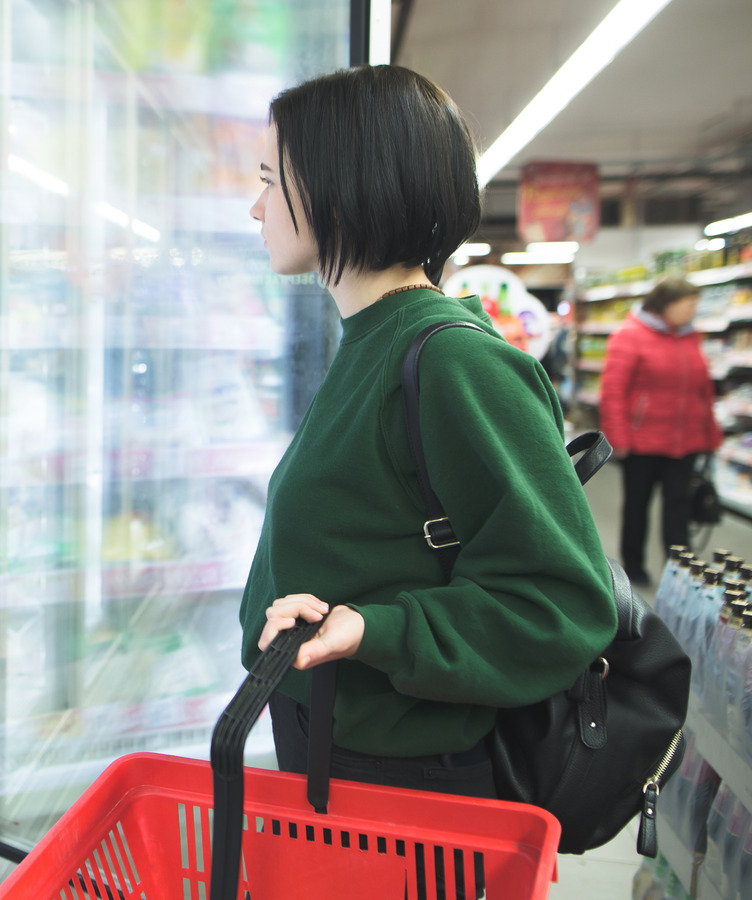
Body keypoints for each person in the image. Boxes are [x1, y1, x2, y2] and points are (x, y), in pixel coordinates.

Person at [242, 65, 617, 799]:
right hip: (336, 745)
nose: (255, 208)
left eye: (268, 180)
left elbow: (561, 604)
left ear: (339, 191)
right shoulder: (371, 340)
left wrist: (376, 631)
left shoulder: (452, 361)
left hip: (406, 777)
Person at [599, 277, 722, 586]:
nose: (694, 310)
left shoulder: (691, 337)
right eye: (689, 304)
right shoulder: (630, 336)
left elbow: (703, 392)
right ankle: (634, 567)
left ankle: (680, 569)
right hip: (642, 442)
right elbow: (613, 391)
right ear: (667, 304)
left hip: (685, 441)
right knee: (637, 506)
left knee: (679, 506)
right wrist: (619, 438)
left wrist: (710, 435)